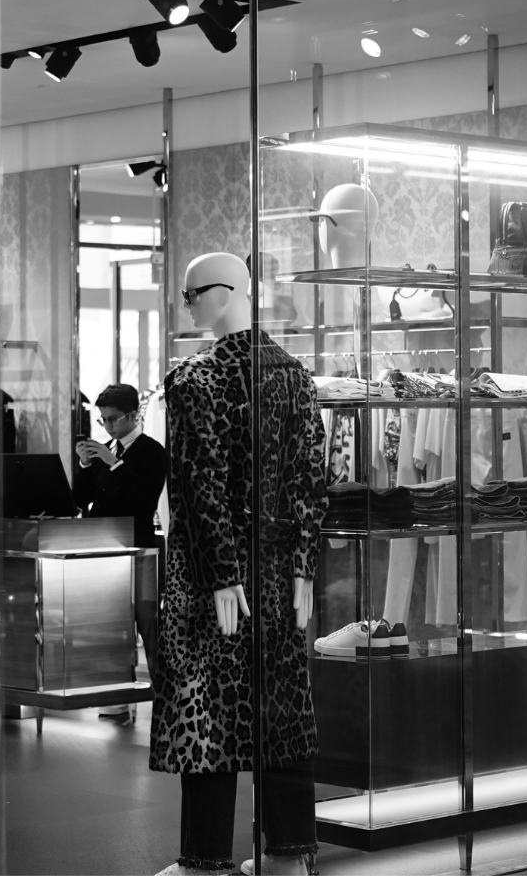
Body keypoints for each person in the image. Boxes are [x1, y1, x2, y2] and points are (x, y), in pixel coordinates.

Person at [150, 253, 328, 876]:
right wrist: (303, 567)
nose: (186, 304)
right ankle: (286, 853)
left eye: (191, 293)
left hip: (214, 580)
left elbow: (201, 488)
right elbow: (312, 483)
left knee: (209, 714)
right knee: (278, 708)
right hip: (280, 580)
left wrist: (222, 574)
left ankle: (204, 859)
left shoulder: (196, 379)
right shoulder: (295, 374)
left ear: (223, 294)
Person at [74, 383, 168, 724]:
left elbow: (145, 499)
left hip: (139, 546)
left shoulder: (151, 451)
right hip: (105, 545)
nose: (109, 426)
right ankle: (116, 698)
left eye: (114, 419)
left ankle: (165, 696)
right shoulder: (106, 450)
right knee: (112, 624)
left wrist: (114, 464)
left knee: (148, 622)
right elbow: (80, 500)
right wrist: (86, 466)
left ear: (133, 415)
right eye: (104, 421)